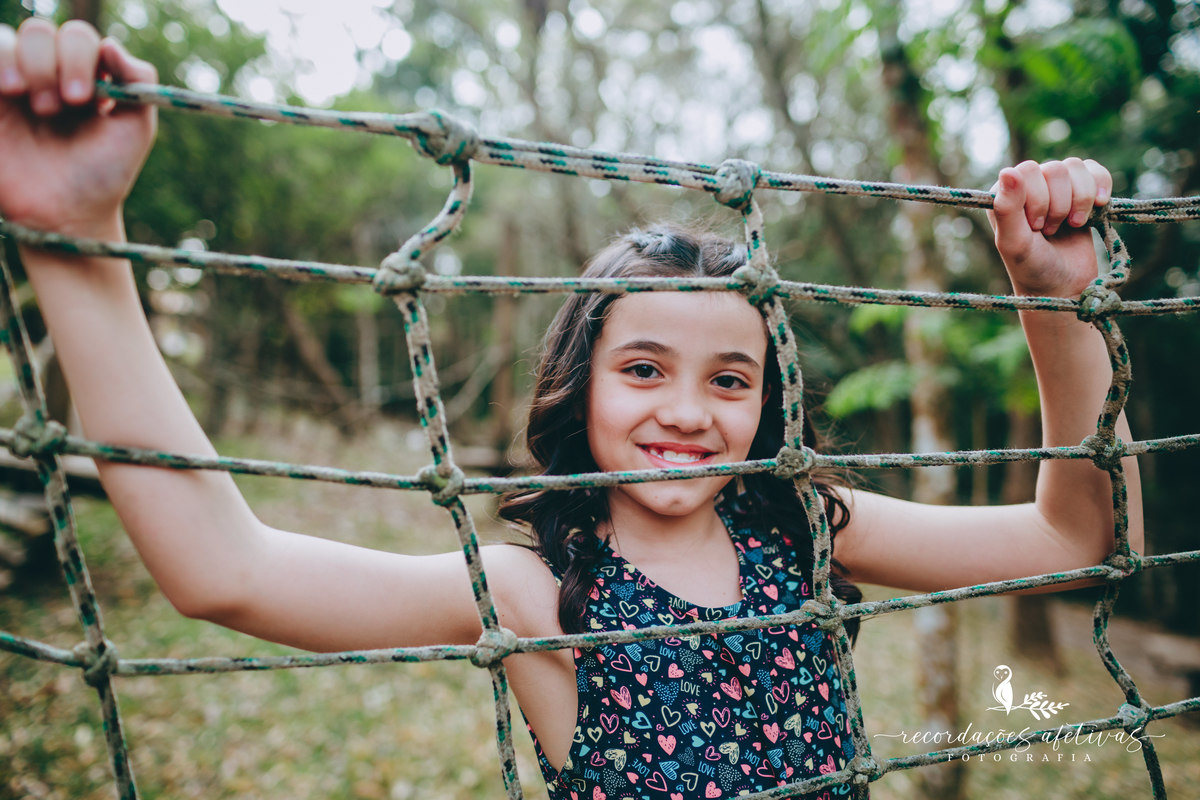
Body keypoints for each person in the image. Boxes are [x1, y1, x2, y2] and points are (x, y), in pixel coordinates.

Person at [0, 18, 1143, 800]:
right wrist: (81, 241)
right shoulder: (535, 592)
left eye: (729, 378)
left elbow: (1075, 541)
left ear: (766, 400)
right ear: (579, 384)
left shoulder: (806, 524)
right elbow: (223, 570)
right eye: (642, 368)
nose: (688, 409)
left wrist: (1062, 304)